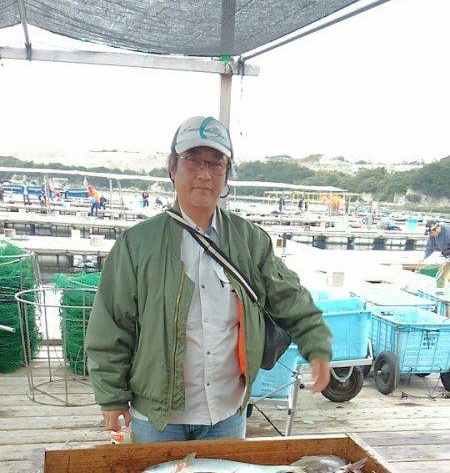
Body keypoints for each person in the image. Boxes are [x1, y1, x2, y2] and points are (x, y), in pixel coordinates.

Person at [86, 115, 332, 443]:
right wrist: (112, 397)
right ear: (172, 168)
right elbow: (111, 324)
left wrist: (317, 346)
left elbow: (290, 297)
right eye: (193, 161)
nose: (205, 174)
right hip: (157, 419)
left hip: (227, 412)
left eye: (216, 164)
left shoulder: (250, 240)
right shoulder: (136, 244)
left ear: (226, 175)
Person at [423, 220, 450, 288]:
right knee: (441, 275)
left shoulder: (448, 232)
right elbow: (430, 247)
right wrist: (423, 258)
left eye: (431, 233)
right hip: (447, 254)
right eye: (429, 233)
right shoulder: (432, 235)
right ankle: (439, 291)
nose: (430, 235)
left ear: (437, 228)